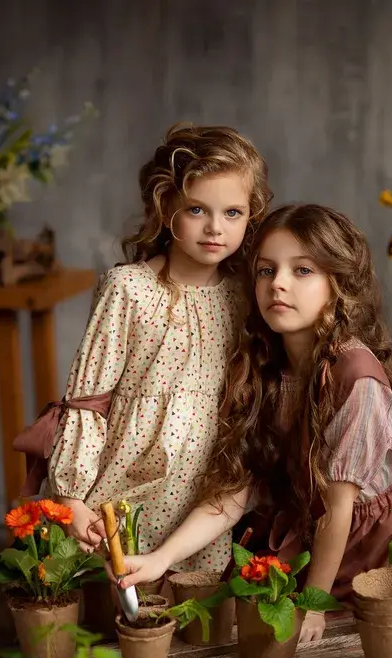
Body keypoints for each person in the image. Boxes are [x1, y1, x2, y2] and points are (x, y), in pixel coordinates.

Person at [114, 203, 392, 640]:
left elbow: (338, 513)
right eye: (266, 271)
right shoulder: (268, 365)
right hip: (307, 525)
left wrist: (312, 606)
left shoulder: (354, 377)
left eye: (302, 271)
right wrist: (161, 558)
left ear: (337, 284)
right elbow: (233, 494)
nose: (278, 284)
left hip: (360, 544)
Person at [43, 123, 271, 573]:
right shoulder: (129, 288)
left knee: (196, 627)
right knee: (123, 622)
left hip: (206, 495)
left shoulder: (247, 296)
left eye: (232, 213)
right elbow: (86, 400)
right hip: (125, 489)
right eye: (196, 209)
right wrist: (72, 496)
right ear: (165, 207)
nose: (214, 228)